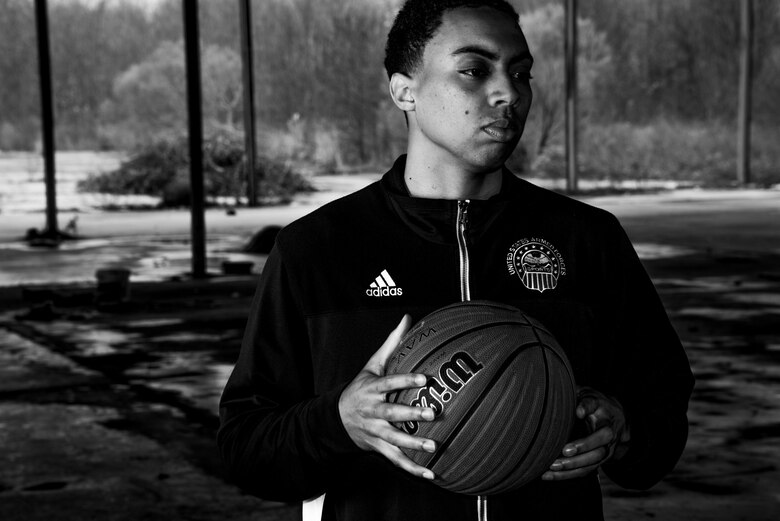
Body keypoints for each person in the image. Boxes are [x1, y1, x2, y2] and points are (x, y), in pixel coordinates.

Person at [217, 1, 694, 519]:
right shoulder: (318, 250)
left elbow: (663, 408)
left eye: (521, 73)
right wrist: (339, 422)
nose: (508, 93)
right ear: (404, 90)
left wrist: (624, 431)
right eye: (474, 70)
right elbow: (246, 446)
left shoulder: (586, 239)